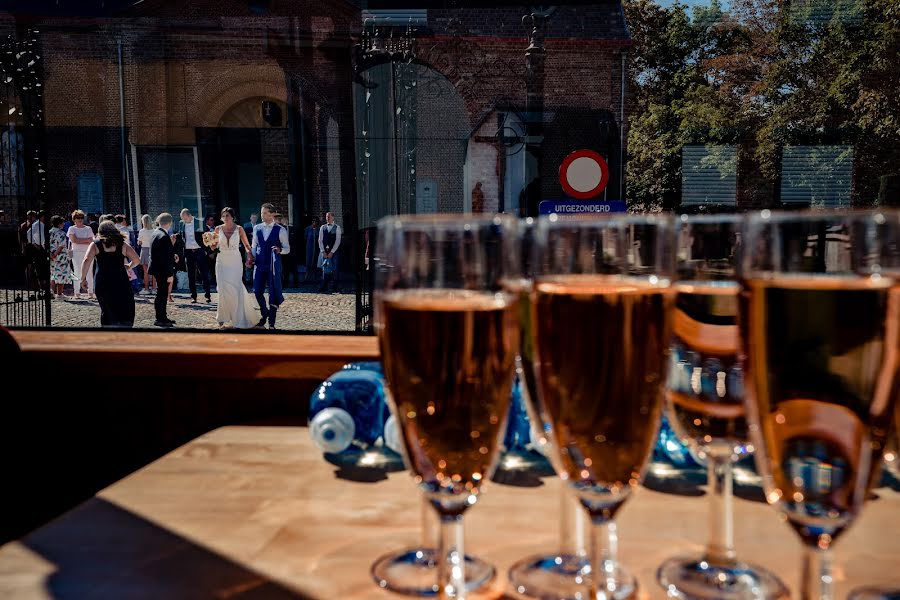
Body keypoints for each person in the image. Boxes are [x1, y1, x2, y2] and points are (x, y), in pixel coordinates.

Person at [80, 220, 139, 327]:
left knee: (107, 308)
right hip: (120, 280)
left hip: (103, 280)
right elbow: (136, 260)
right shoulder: (122, 244)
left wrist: (83, 278)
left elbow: (86, 260)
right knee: (123, 305)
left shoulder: (95, 244)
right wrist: (129, 266)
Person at [209, 207, 259, 329]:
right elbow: (213, 248)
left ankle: (239, 318)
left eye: (227, 215)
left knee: (236, 288)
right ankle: (222, 316)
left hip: (235, 261)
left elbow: (247, 245)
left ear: (232, 217)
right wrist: (211, 243)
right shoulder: (217, 229)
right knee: (222, 288)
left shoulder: (239, 229)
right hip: (221, 261)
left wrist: (250, 256)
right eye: (223, 216)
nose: (225, 218)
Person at [250, 202, 289, 329]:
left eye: (265, 213)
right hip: (260, 264)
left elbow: (287, 248)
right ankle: (264, 312)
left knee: (273, 292)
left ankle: (271, 322)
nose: (262, 215)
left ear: (272, 214)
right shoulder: (257, 228)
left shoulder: (281, 230)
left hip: (273, 265)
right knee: (257, 291)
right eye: (262, 213)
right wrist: (251, 257)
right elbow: (254, 246)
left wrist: (280, 250)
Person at [174, 208, 211, 304]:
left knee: (204, 274)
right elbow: (181, 235)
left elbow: (207, 235)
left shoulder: (199, 222)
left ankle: (207, 295)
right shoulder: (182, 224)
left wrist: (207, 250)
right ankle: (193, 296)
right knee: (191, 275)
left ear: (189, 216)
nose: (183, 220)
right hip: (188, 252)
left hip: (199, 251)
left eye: (184, 218)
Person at [148, 213, 178, 327]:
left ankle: (161, 316)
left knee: (160, 293)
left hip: (156, 267)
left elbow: (163, 252)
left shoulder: (155, 233)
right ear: (169, 223)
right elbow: (165, 258)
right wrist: (170, 274)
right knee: (162, 293)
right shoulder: (164, 236)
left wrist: (172, 252)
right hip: (162, 269)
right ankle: (161, 318)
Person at [68, 209, 95, 299]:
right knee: (77, 272)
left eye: (81, 217)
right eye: (78, 218)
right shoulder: (72, 228)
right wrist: (86, 240)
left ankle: (90, 292)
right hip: (76, 253)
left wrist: (80, 240)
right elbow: (74, 240)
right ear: (74, 219)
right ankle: (77, 292)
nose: (80, 219)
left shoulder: (88, 228)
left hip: (88, 252)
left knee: (89, 272)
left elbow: (91, 240)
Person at [318, 211, 342, 293]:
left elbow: (338, 241)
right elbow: (320, 240)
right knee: (325, 269)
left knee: (335, 269)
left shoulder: (337, 227)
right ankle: (324, 286)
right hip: (324, 251)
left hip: (334, 251)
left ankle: (335, 287)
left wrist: (332, 252)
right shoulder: (322, 227)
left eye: (329, 217)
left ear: (333, 217)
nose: (327, 218)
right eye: (326, 216)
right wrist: (323, 251)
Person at [48, 215, 71, 299]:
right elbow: (61, 246)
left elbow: (44, 244)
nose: (63, 224)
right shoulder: (61, 233)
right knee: (61, 274)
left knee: (53, 274)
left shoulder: (49, 232)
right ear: (59, 224)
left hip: (51, 256)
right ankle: (59, 294)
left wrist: (51, 254)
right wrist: (55, 254)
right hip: (60, 257)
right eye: (62, 222)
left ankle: (52, 292)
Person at [136, 214, 155, 295]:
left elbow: (139, 242)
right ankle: (154, 288)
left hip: (144, 250)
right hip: (153, 250)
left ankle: (146, 289)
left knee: (145, 272)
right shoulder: (154, 230)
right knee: (154, 271)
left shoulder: (142, 231)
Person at [303, 216, 320, 282]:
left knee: (316, 261)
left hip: (317, 248)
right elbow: (305, 238)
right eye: (313, 221)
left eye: (315, 221)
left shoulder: (319, 229)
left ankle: (315, 277)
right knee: (308, 261)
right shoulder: (308, 229)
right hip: (309, 247)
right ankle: (307, 277)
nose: (314, 222)